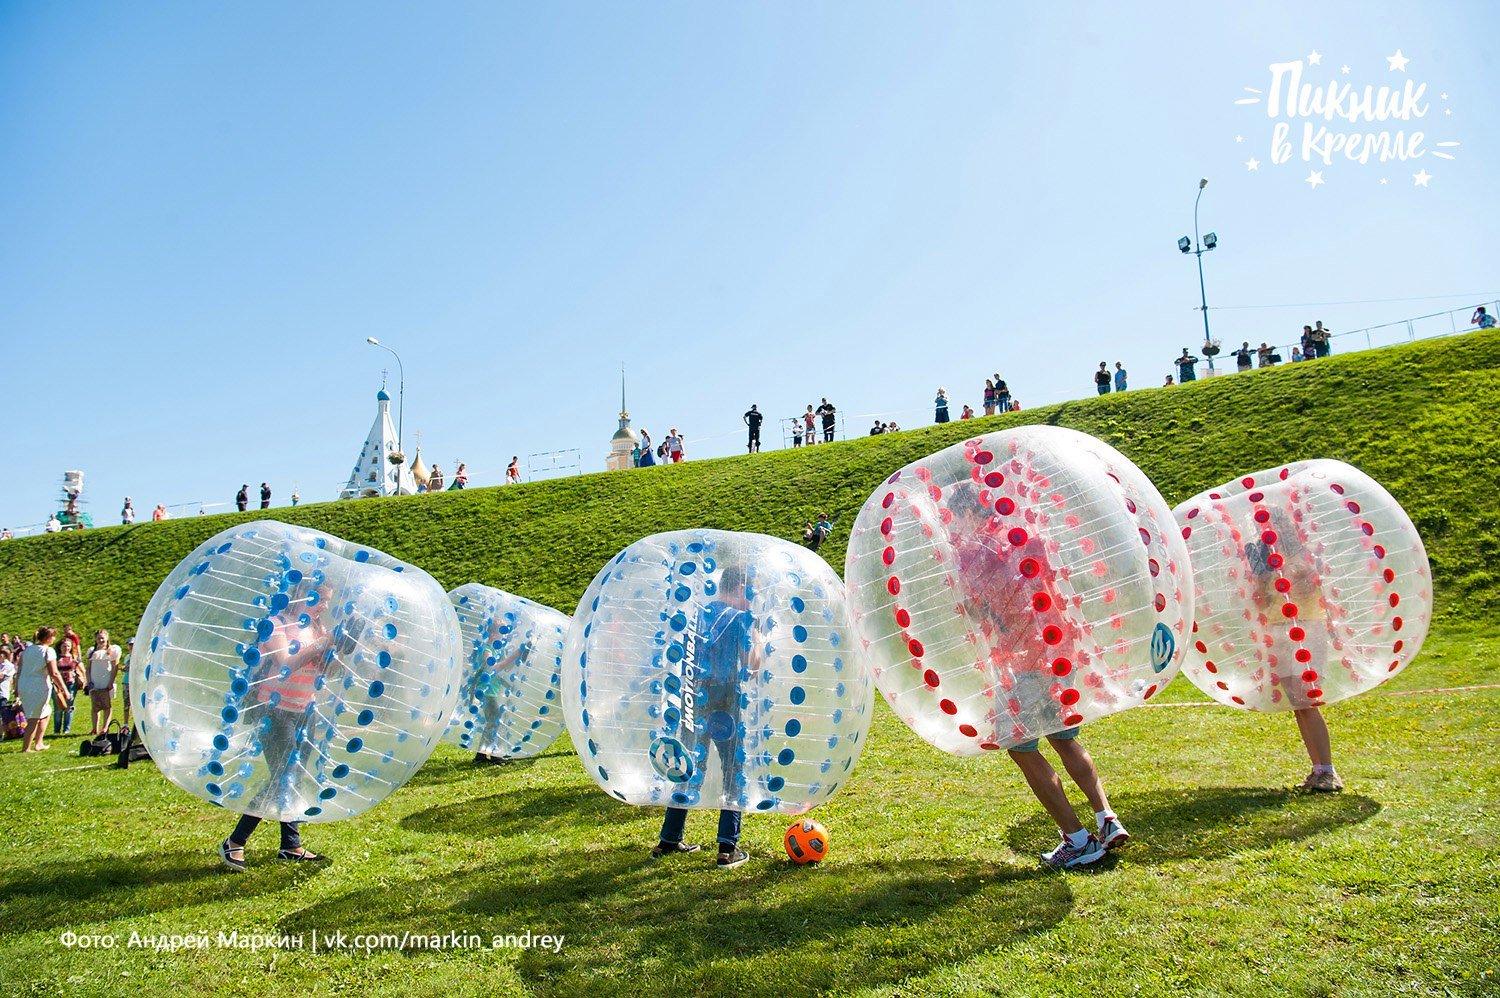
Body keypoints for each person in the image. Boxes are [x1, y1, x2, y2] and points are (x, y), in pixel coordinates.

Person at [649, 566, 755, 869]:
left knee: (688, 765)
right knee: (733, 771)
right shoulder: (740, 619)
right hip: (726, 702)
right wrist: (758, 637)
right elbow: (752, 662)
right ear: (740, 588)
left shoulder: (696, 615)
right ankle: (727, 848)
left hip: (693, 700)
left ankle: (669, 839)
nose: (751, 601)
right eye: (750, 594)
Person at [219, 606, 334, 871]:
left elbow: (325, 673)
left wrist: (334, 650)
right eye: (321, 600)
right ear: (304, 594)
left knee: (291, 778)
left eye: (328, 602)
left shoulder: (318, 629)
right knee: (284, 775)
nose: (324, 607)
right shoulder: (277, 624)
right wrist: (320, 645)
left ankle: (290, 845)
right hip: (274, 709)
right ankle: (235, 841)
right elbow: (285, 663)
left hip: (305, 709)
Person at [18, 627, 66, 752]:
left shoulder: (27, 650)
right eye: (53, 636)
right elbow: (54, 673)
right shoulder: (48, 651)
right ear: (48, 638)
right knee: (34, 717)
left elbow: (19, 671)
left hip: (24, 685)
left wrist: (16, 688)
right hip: (38, 687)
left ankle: (39, 743)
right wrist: (64, 689)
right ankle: (26, 748)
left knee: (46, 712)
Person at [85, 629, 121, 735]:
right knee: (95, 706)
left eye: (103, 638)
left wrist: (111, 682)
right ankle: (94, 728)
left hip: (106, 680)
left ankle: (105, 727)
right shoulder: (92, 651)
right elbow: (88, 668)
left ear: (107, 638)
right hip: (95, 681)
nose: (101, 640)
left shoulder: (112, 650)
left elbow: (115, 667)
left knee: (106, 705)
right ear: (96, 639)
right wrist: (89, 681)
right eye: (99, 638)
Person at [53, 627, 82, 735]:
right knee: (58, 707)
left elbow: (80, 668)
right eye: (64, 646)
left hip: (71, 683)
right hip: (58, 684)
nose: (66, 648)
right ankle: (56, 730)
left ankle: (66, 729)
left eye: (68, 646)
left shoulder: (74, 657)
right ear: (60, 647)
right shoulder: (56, 658)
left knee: (69, 706)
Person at [120, 637, 134, 730]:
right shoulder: (127, 657)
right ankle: (125, 723)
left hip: (134, 683)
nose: (131, 646)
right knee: (126, 704)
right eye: (129, 645)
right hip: (126, 681)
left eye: (132, 644)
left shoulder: (138, 656)